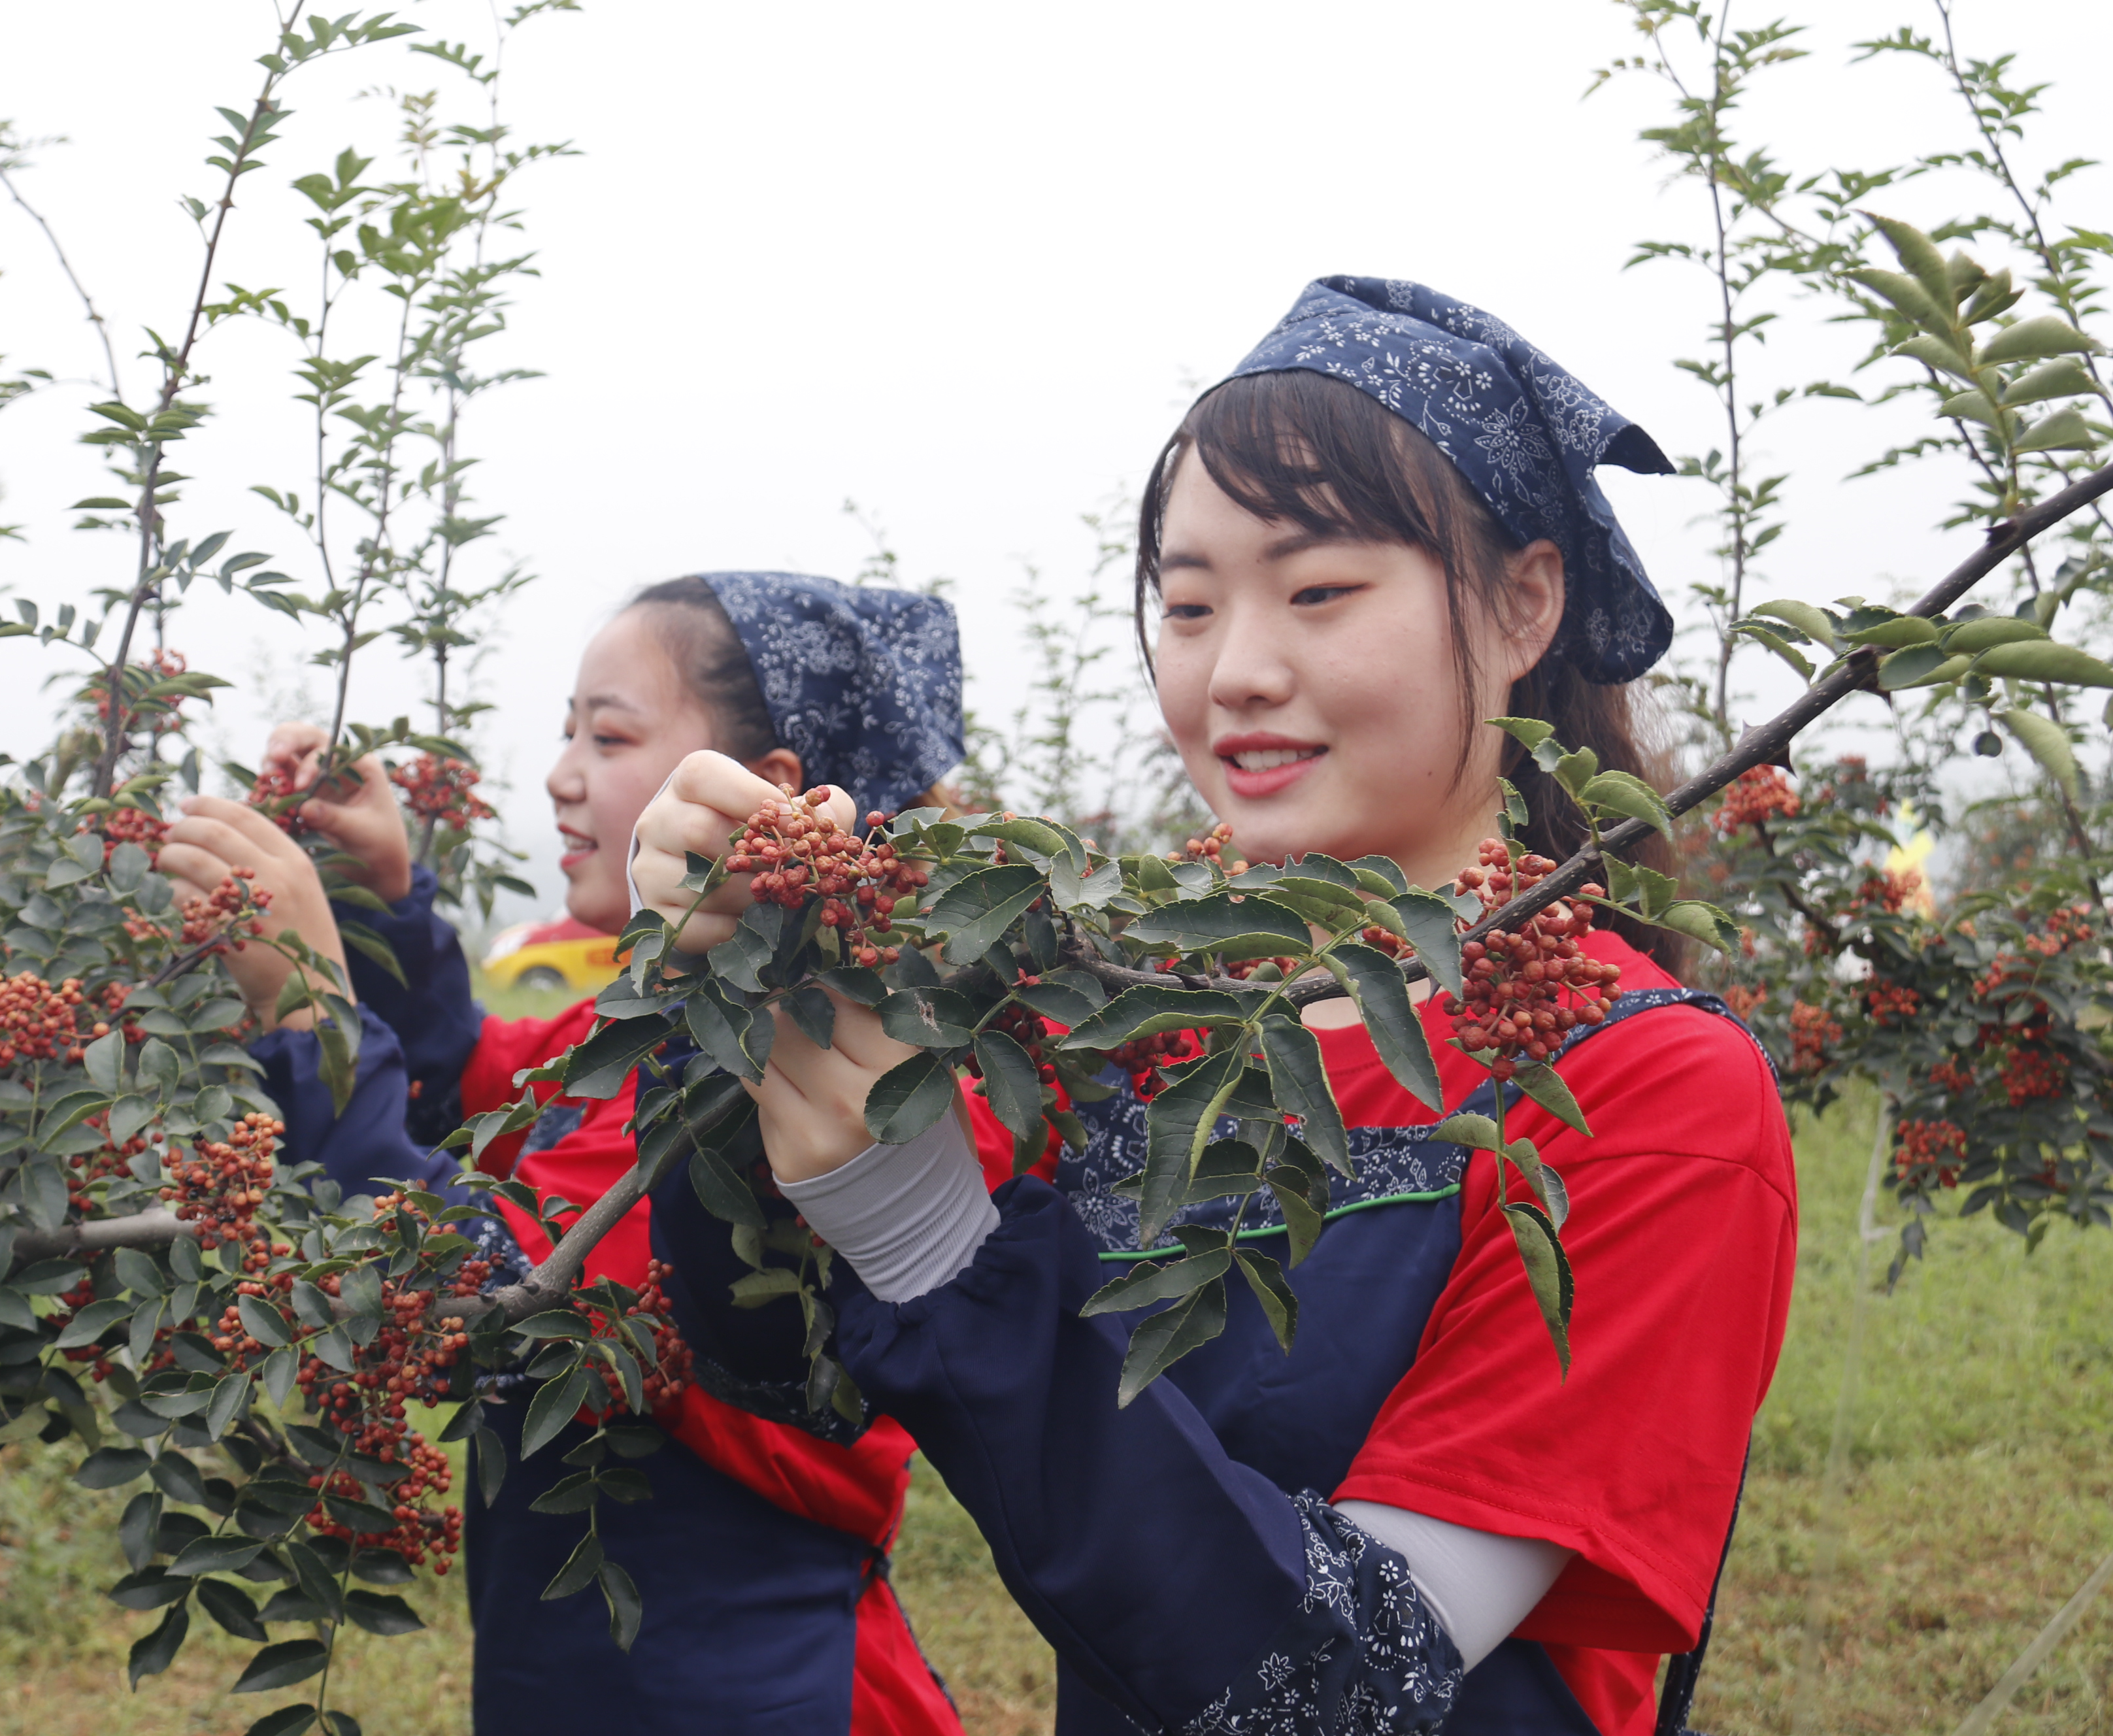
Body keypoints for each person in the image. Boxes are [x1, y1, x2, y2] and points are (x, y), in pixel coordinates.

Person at [631, 280, 1797, 1736]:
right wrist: (738, 1002)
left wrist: (945, 1251)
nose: (1233, 669)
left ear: (1523, 603)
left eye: (1318, 590)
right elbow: (780, 1366)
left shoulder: (1648, 1090)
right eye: (1187, 605)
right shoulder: (1147, 1014)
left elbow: (1346, 1693)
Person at [159, 571, 1030, 1736]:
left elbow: (485, 1301)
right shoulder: (644, 1030)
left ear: (761, 801)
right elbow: (477, 1083)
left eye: (607, 733)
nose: (561, 771)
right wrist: (391, 902)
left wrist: (311, 1011)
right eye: (567, 728)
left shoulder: (802, 1092)